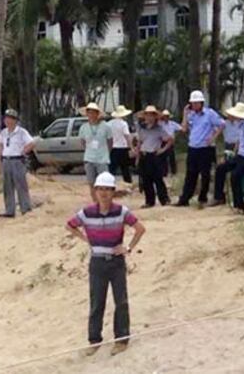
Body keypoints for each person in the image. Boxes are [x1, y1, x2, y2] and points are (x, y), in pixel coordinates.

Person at [66, 172, 145, 357]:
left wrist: (128, 248)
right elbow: (69, 225)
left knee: (121, 301)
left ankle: (122, 339)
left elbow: (140, 229)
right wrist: (85, 239)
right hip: (97, 262)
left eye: (107, 189)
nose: (103, 193)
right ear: (95, 191)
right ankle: (94, 340)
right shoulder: (87, 212)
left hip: (116, 262)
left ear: (113, 192)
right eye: (100, 189)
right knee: (97, 302)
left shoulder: (121, 211)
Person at [176, 90, 225, 207]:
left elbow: (222, 124)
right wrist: (185, 114)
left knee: (205, 174)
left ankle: (202, 198)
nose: (194, 105)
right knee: (190, 174)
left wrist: (213, 137)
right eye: (192, 103)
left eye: (196, 103)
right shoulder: (191, 115)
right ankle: (185, 198)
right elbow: (184, 129)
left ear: (201, 103)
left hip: (205, 148)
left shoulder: (210, 114)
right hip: (193, 147)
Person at [212, 103, 244, 214]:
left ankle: (240, 206)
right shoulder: (240, 125)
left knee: (235, 176)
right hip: (241, 155)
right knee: (221, 168)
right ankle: (219, 197)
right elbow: (240, 141)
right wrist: (235, 153)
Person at [0, 108, 35, 218]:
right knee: (7, 186)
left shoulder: (21, 132)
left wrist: (23, 152)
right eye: (6, 118)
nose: (7, 121)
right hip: (6, 160)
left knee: (21, 185)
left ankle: (25, 208)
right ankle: (9, 210)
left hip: (17, 160)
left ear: (15, 120)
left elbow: (31, 143)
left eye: (10, 119)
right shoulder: (3, 132)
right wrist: (1, 153)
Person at [134, 106, 173, 208]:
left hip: (153, 155)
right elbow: (139, 142)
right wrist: (137, 155)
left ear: (155, 117)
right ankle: (149, 201)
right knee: (146, 179)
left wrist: (162, 150)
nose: (149, 117)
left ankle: (164, 199)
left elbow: (170, 139)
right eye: (147, 115)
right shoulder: (142, 128)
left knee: (158, 178)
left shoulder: (159, 129)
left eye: (151, 115)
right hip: (144, 154)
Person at [78, 102, 113, 204]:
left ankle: (105, 201)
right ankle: (95, 202)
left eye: (93, 112)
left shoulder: (106, 126)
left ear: (97, 114)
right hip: (89, 158)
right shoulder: (83, 127)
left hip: (102, 158)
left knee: (104, 182)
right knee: (91, 182)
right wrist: (88, 150)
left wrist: (106, 152)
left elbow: (110, 141)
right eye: (89, 112)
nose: (91, 115)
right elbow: (82, 142)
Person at [108, 105, 134, 184]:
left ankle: (109, 183)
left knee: (112, 168)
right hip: (123, 148)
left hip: (113, 148)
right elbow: (127, 136)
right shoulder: (123, 124)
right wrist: (131, 147)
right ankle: (128, 183)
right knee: (125, 169)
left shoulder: (109, 123)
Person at [160, 110, 182, 177]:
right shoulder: (160, 124)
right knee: (163, 157)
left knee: (171, 157)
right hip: (163, 141)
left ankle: (173, 171)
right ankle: (164, 172)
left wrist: (176, 136)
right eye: (165, 116)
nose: (166, 117)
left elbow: (181, 129)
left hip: (171, 141)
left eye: (167, 116)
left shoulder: (172, 124)